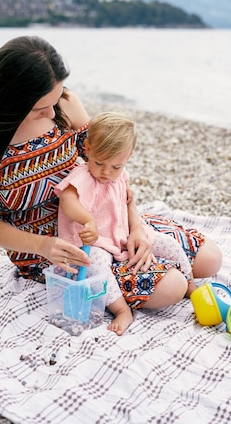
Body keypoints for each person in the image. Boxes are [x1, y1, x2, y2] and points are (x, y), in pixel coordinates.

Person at [0, 35, 222, 330]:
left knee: (209, 260)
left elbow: (108, 172)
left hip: (106, 218)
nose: (52, 113)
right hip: (57, 249)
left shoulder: (65, 105)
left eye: (56, 99)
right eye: (41, 107)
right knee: (173, 287)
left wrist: (137, 226)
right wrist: (43, 245)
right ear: (12, 98)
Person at [55, 111, 201, 335]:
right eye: (100, 163)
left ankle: (192, 288)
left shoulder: (121, 175)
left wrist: (137, 230)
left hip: (121, 235)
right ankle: (122, 310)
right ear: (88, 148)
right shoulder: (82, 177)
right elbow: (68, 201)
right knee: (94, 264)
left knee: (169, 244)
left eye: (116, 166)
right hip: (96, 242)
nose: (106, 172)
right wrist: (87, 220)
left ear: (129, 156)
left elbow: (126, 203)